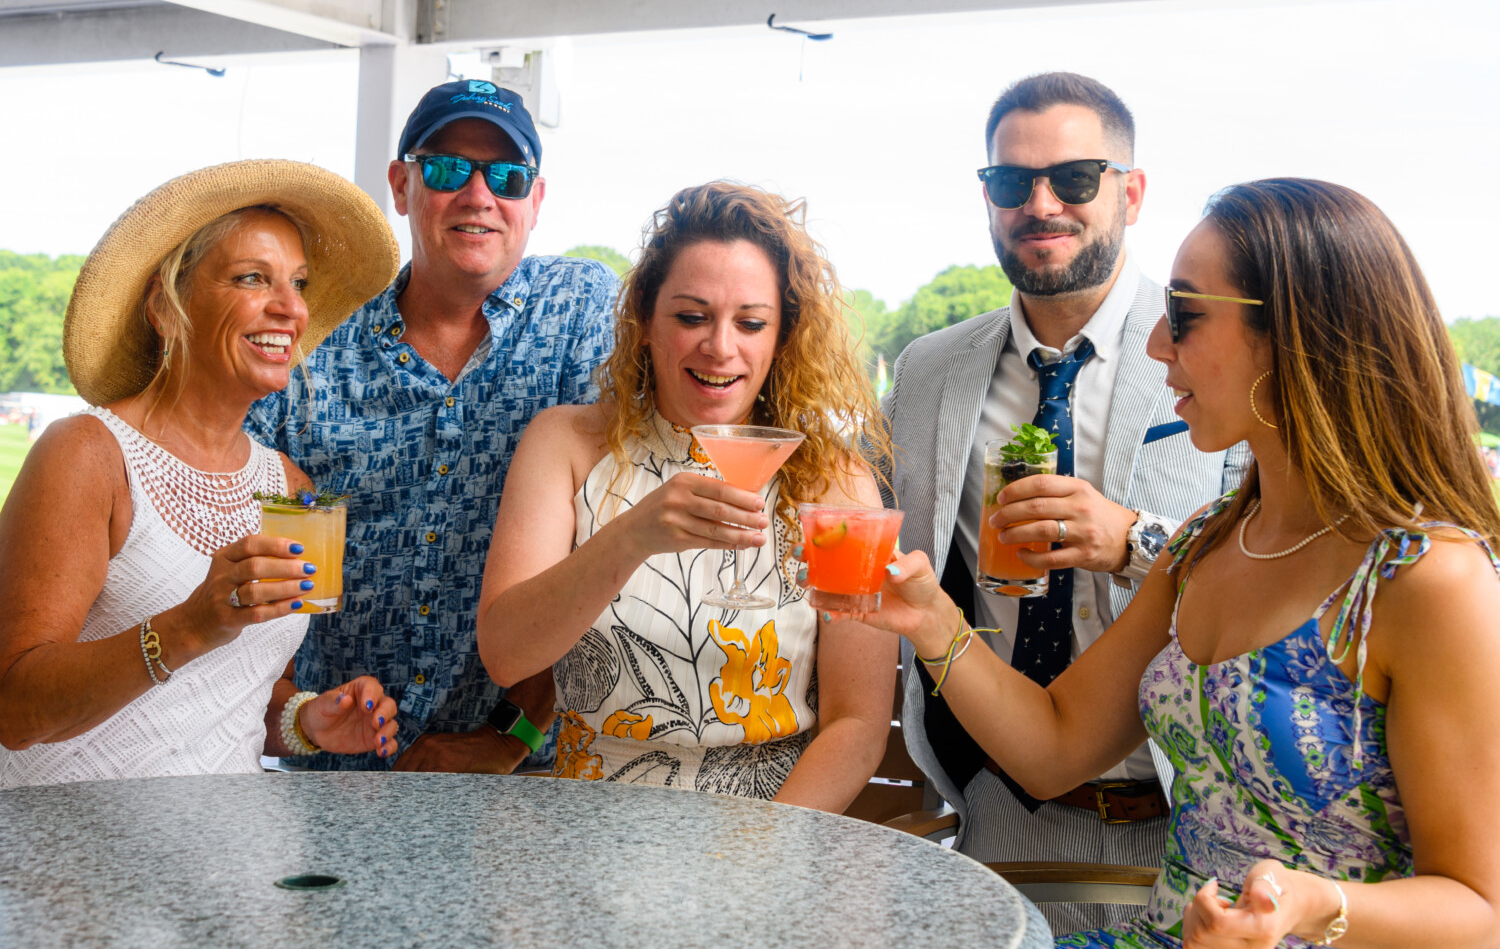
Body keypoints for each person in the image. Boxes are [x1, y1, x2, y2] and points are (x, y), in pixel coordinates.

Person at [861, 178, 1500, 948]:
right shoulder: (1208, 542)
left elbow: (1481, 910)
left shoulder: (1427, 579)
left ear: (1297, 334)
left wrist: (1310, 907)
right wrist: (931, 620)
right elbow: (1054, 748)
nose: (1157, 343)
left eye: (1186, 314)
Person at [881, 72, 1247, 930]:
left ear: (1133, 191)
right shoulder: (927, 371)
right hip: (993, 810)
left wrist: (1133, 540)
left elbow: (1273, 554)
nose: (1040, 204)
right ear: (987, 197)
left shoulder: (1213, 346)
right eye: (1012, 181)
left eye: (1075, 178)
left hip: (1185, 828)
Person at [475, 182, 895, 810]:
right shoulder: (566, 444)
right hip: (590, 829)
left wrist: (767, 851)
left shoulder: (834, 482)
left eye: (751, 323)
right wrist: (631, 537)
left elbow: (857, 724)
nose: (720, 347)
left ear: (782, 336)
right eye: (692, 317)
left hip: (770, 829)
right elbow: (507, 656)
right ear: (645, 321)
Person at [247, 80, 619, 774]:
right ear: (401, 184)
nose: (479, 195)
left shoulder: (581, 311)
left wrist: (507, 738)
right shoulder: (315, 345)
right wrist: (300, 718)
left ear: (536, 201)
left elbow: (609, 554)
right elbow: (247, 562)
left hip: (528, 785)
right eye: (448, 169)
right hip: (341, 782)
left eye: (508, 177)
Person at [0, 160, 403, 786]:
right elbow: (15, 709)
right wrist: (189, 626)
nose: (291, 308)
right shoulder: (85, 453)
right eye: (252, 278)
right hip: (71, 840)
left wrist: (306, 719)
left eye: (298, 283)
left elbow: (242, 692)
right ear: (166, 305)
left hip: (229, 837)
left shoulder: (292, 489)